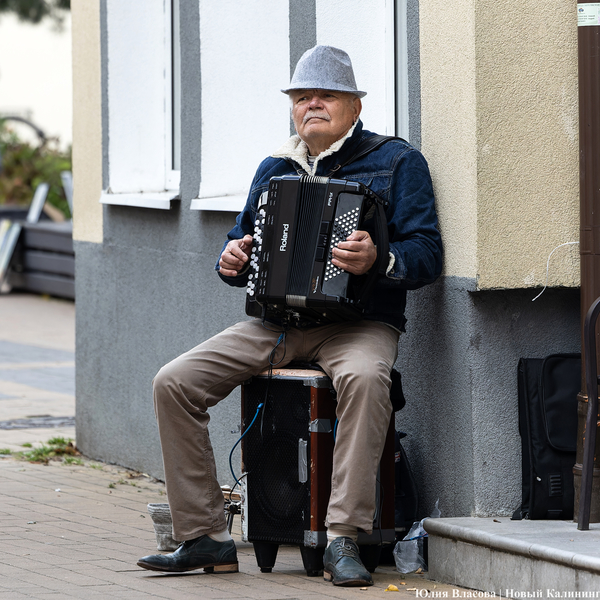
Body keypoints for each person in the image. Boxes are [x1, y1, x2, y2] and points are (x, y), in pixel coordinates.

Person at [136, 45, 443, 588]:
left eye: (326, 96)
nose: (312, 105)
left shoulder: (397, 161)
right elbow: (242, 245)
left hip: (359, 324)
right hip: (275, 325)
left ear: (354, 105)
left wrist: (380, 258)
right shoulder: (275, 167)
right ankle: (205, 534)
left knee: (368, 379)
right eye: (302, 97)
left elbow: (427, 253)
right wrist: (230, 259)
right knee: (174, 382)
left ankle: (343, 537)